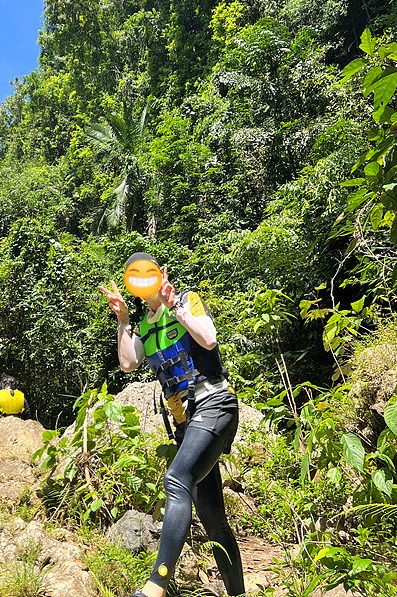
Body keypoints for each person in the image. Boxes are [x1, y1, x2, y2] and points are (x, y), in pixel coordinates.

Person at [99, 253, 245, 597]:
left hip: (215, 404)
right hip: (188, 424)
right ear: (132, 286)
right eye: (136, 275)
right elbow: (128, 363)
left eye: (149, 271)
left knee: (176, 478)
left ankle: (157, 584)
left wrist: (176, 307)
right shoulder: (145, 326)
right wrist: (122, 321)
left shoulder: (186, 300)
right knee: (214, 522)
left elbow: (208, 339)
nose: (144, 278)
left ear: (161, 274)